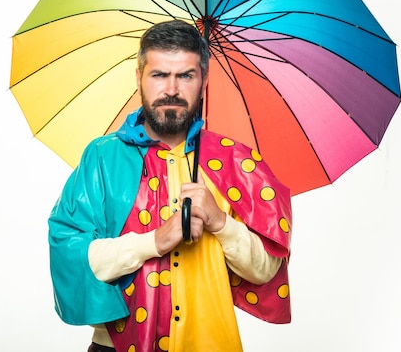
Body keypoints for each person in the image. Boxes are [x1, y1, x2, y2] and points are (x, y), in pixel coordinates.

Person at [48, 20, 293, 352]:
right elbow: (72, 256)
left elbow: (265, 270)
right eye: (159, 75)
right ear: (140, 79)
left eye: (186, 76)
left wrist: (220, 223)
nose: (172, 90)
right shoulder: (102, 158)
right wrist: (155, 240)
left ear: (204, 81)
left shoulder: (236, 161)